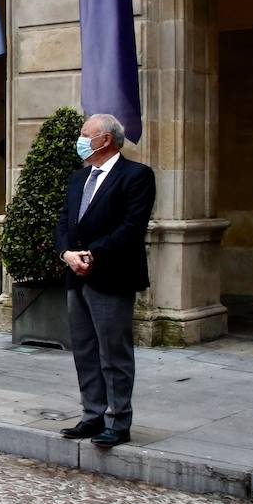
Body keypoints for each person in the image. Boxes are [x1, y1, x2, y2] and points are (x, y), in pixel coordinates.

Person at [55, 113, 156, 450]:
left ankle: (118, 420)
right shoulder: (78, 178)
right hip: (76, 275)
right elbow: (63, 222)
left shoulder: (136, 175)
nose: (81, 140)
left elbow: (132, 227)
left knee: (114, 352)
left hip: (112, 276)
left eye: (86, 134)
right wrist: (67, 254)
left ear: (106, 139)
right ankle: (92, 414)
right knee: (84, 350)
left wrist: (92, 254)